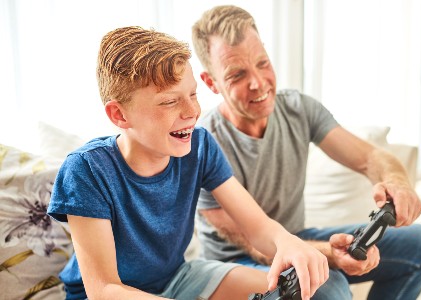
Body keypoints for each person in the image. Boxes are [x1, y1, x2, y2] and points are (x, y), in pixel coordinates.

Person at [46, 26, 329, 300]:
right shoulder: (86, 170)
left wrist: (287, 241)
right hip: (115, 294)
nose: (193, 111)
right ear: (119, 115)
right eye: (170, 101)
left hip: (178, 277)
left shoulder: (200, 145)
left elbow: (257, 227)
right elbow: (105, 290)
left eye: (193, 94)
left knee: (297, 294)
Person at [191, 5, 421, 300]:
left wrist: (397, 183)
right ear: (211, 83)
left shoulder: (298, 109)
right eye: (237, 75)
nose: (258, 82)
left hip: (297, 237)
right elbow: (256, 243)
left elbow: (371, 157)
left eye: (262, 63)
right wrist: (328, 255)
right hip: (238, 261)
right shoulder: (203, 144)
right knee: (330, 288)